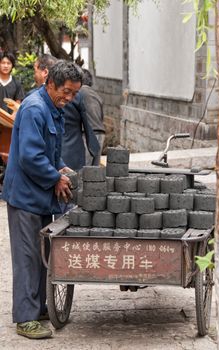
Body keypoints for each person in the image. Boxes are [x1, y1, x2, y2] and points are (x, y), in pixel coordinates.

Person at [2, 60, 83, 339]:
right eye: (67, 92)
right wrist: (54, 178)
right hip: (25, 196)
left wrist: (61, 168)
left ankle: (37, 307)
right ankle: (25, 318)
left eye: (74, 93)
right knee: (27, 257)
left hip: (41, 195)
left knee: (41, 255)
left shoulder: (53, 108)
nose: (70, 98)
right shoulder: (35, 109)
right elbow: (31, 157)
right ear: (50, 84)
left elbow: (50, 152)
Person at [31, 54, 100, 172]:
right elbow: (31, 154)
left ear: (46, 72)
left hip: (60, 160)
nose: (68, 98)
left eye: (35, 70)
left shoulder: (69, 97)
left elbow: (89, 129)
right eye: (66, 92)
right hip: (57, 161)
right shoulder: (35, 105)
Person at [81, 69, 105, 166]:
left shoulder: (79, 92)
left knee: (85, 168)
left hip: (88, 134)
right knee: (95, 169)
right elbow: (101, 116)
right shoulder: (97, 95)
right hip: (101, 132)